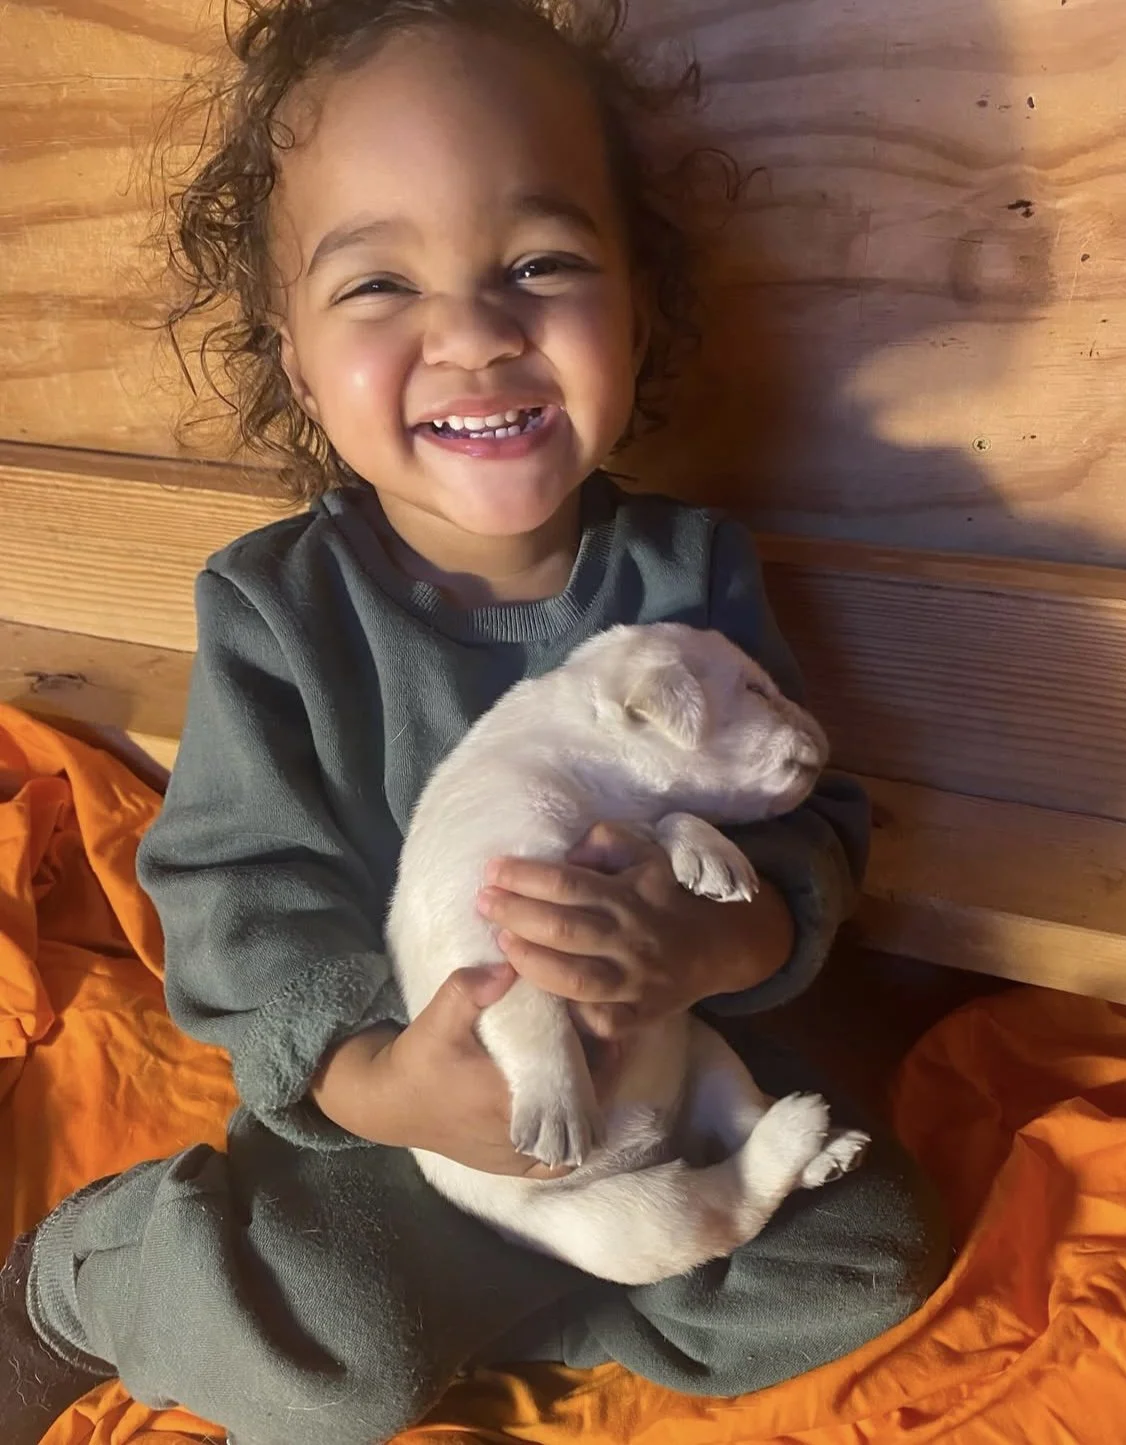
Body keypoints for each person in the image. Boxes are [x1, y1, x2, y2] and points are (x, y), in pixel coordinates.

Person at [0, 2, 949, 1442]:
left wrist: (720, 936)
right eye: (381, 282)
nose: (475, 332)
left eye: (540, 264)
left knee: (870, 1244)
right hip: (401, 1137)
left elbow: (801, 819)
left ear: (637, 308)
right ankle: (86, 1281)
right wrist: (380, 1085)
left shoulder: (687, 573)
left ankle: (549, 1294)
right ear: (296, 358)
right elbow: (241, 908)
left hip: (655, 1091)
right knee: (329, 1350)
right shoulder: (279, 608)